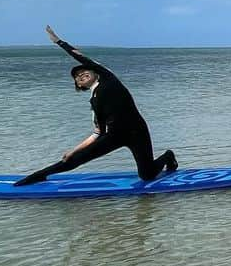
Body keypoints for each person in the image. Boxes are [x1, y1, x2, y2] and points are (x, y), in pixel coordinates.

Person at [15, 25, 178, 186]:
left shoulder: (108, 79)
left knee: (147, 175)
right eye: (77, 77)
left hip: (137, 132)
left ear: (94, 72)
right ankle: (38, 176)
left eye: (83, 71)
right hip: (113, 136)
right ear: (80, 86)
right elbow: (98, 132)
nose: (80, 74)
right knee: (74, 160)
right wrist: (74, 150)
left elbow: (81, 58)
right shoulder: (94, 103)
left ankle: (168, 156)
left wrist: (58, 41)